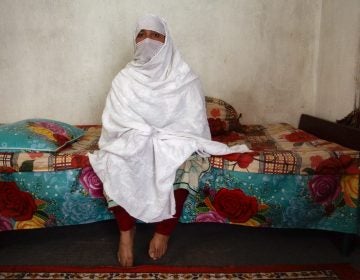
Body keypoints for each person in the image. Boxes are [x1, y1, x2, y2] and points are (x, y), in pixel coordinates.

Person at [88, 14, 249, 267]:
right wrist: (141, 136)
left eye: (155, 35)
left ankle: (163, 231)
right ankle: (125, 233)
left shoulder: (185, 77)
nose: (147, 40)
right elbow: (115, 121)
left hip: (175, 138)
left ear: (167, 41)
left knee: (186, 161)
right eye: (142, 35)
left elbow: (192, 124)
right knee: (114, 160)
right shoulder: (124, 79)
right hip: (135, 136)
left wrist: (163, 139)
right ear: (134, 41)